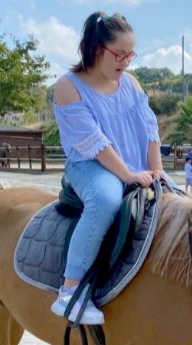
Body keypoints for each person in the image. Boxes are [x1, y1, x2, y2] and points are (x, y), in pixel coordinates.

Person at [50, 11, 163, 324]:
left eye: (130, 55)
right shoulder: (68, 86)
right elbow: (95, 143)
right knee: (107, 199)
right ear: (96, 48)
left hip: (135, 163)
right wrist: (127, 175)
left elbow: (149, 128)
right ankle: (70, 290)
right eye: (120, 54)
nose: (126, 62)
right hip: (91, 165)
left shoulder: (132, 84)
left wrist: (157, 170)